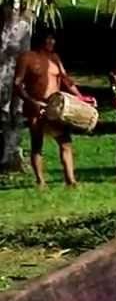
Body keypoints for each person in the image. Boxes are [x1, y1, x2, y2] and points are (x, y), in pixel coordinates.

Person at [13, 30, 85, 187]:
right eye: (48, 40)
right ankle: (40, 181)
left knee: (65, 143)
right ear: (41, 41)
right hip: (36, 106)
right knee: (37, 144)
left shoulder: (55, 58)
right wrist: (30, 101)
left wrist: (80, 97)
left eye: (53, 40)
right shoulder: (27, 58)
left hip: (56, 106)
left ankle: (70, 180)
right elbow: (17, 84)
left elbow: (66, 80)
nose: (51, 43)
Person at [0, 0, 32, 172]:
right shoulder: (2, 25)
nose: (12, 10)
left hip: (15, 74)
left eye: (16, 7)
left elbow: (25, 55)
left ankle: (12, 152)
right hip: (2, 74)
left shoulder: (24, 27)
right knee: (3, 113)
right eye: (10, 7)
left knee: (16, 112)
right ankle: (6, 152)